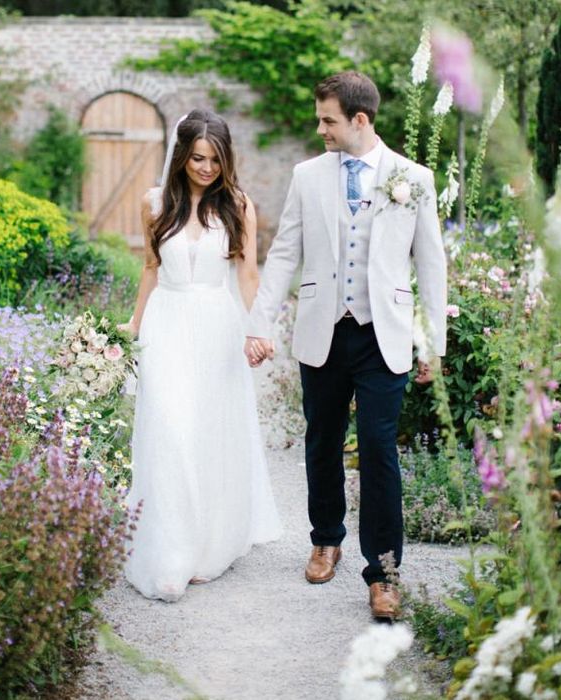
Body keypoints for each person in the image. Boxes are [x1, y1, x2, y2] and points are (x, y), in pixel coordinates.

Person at [244, 71, 447, 619]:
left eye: (328, 119)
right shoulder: (307, 176)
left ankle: (383, 572)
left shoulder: (414, 177)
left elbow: (431, 263)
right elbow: (284, 252)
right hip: (322, 327)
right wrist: (259, 322)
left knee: (380, 449)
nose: (320, 128)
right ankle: (325, 538)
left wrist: (433, 341)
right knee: (323, 438)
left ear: (359, 120)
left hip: (386, 333)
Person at [121, 109, 282, 602]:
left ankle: (207, 545)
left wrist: (259, 329)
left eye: (215, 159)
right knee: (168, 429)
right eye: (197, 158)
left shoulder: (237, 205)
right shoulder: (154, 204)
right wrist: (134, 323)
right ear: (181, 156)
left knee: (207, 432)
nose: (206, 168)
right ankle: (170, 551)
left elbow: (248, 276)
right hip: (166, 324)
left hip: (216, 325)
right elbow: (150, 268)